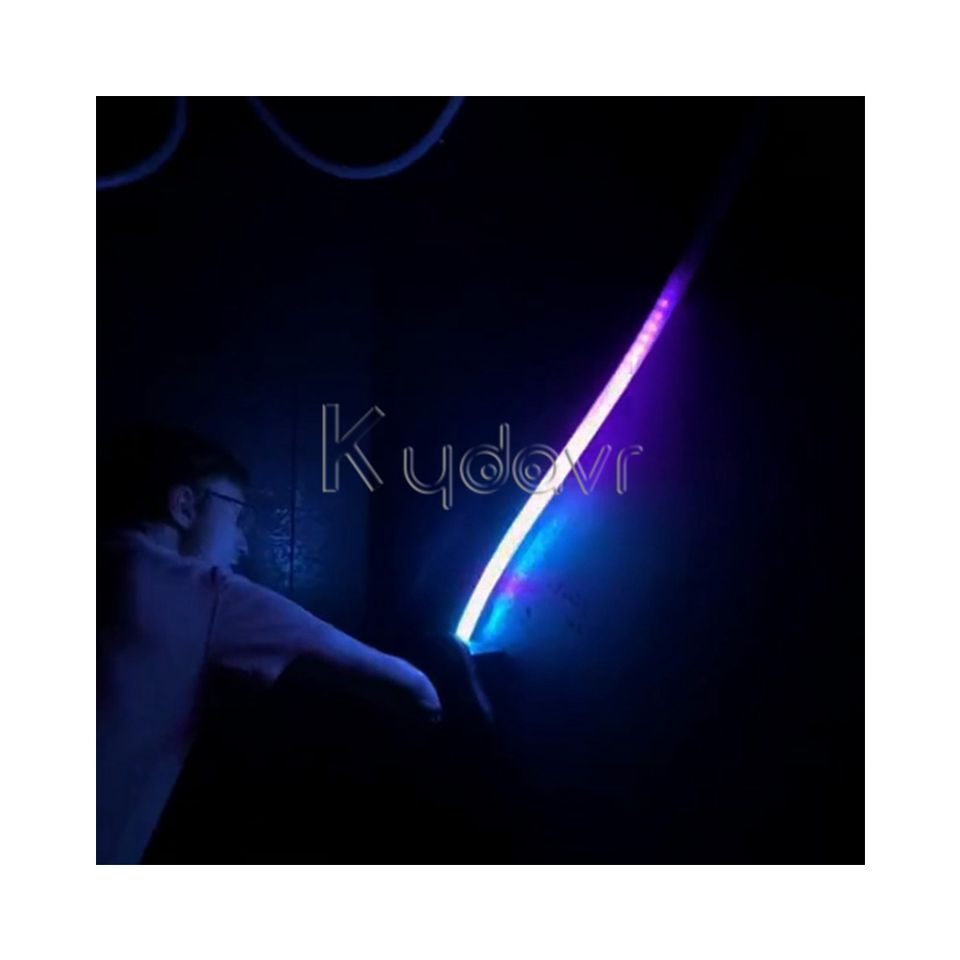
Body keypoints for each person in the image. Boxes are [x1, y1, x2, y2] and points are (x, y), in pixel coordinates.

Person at [97, 424, 441, 864]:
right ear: (184, 505)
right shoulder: (202, 591)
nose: (242, 542)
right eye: (236, 516)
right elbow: (409, 684)